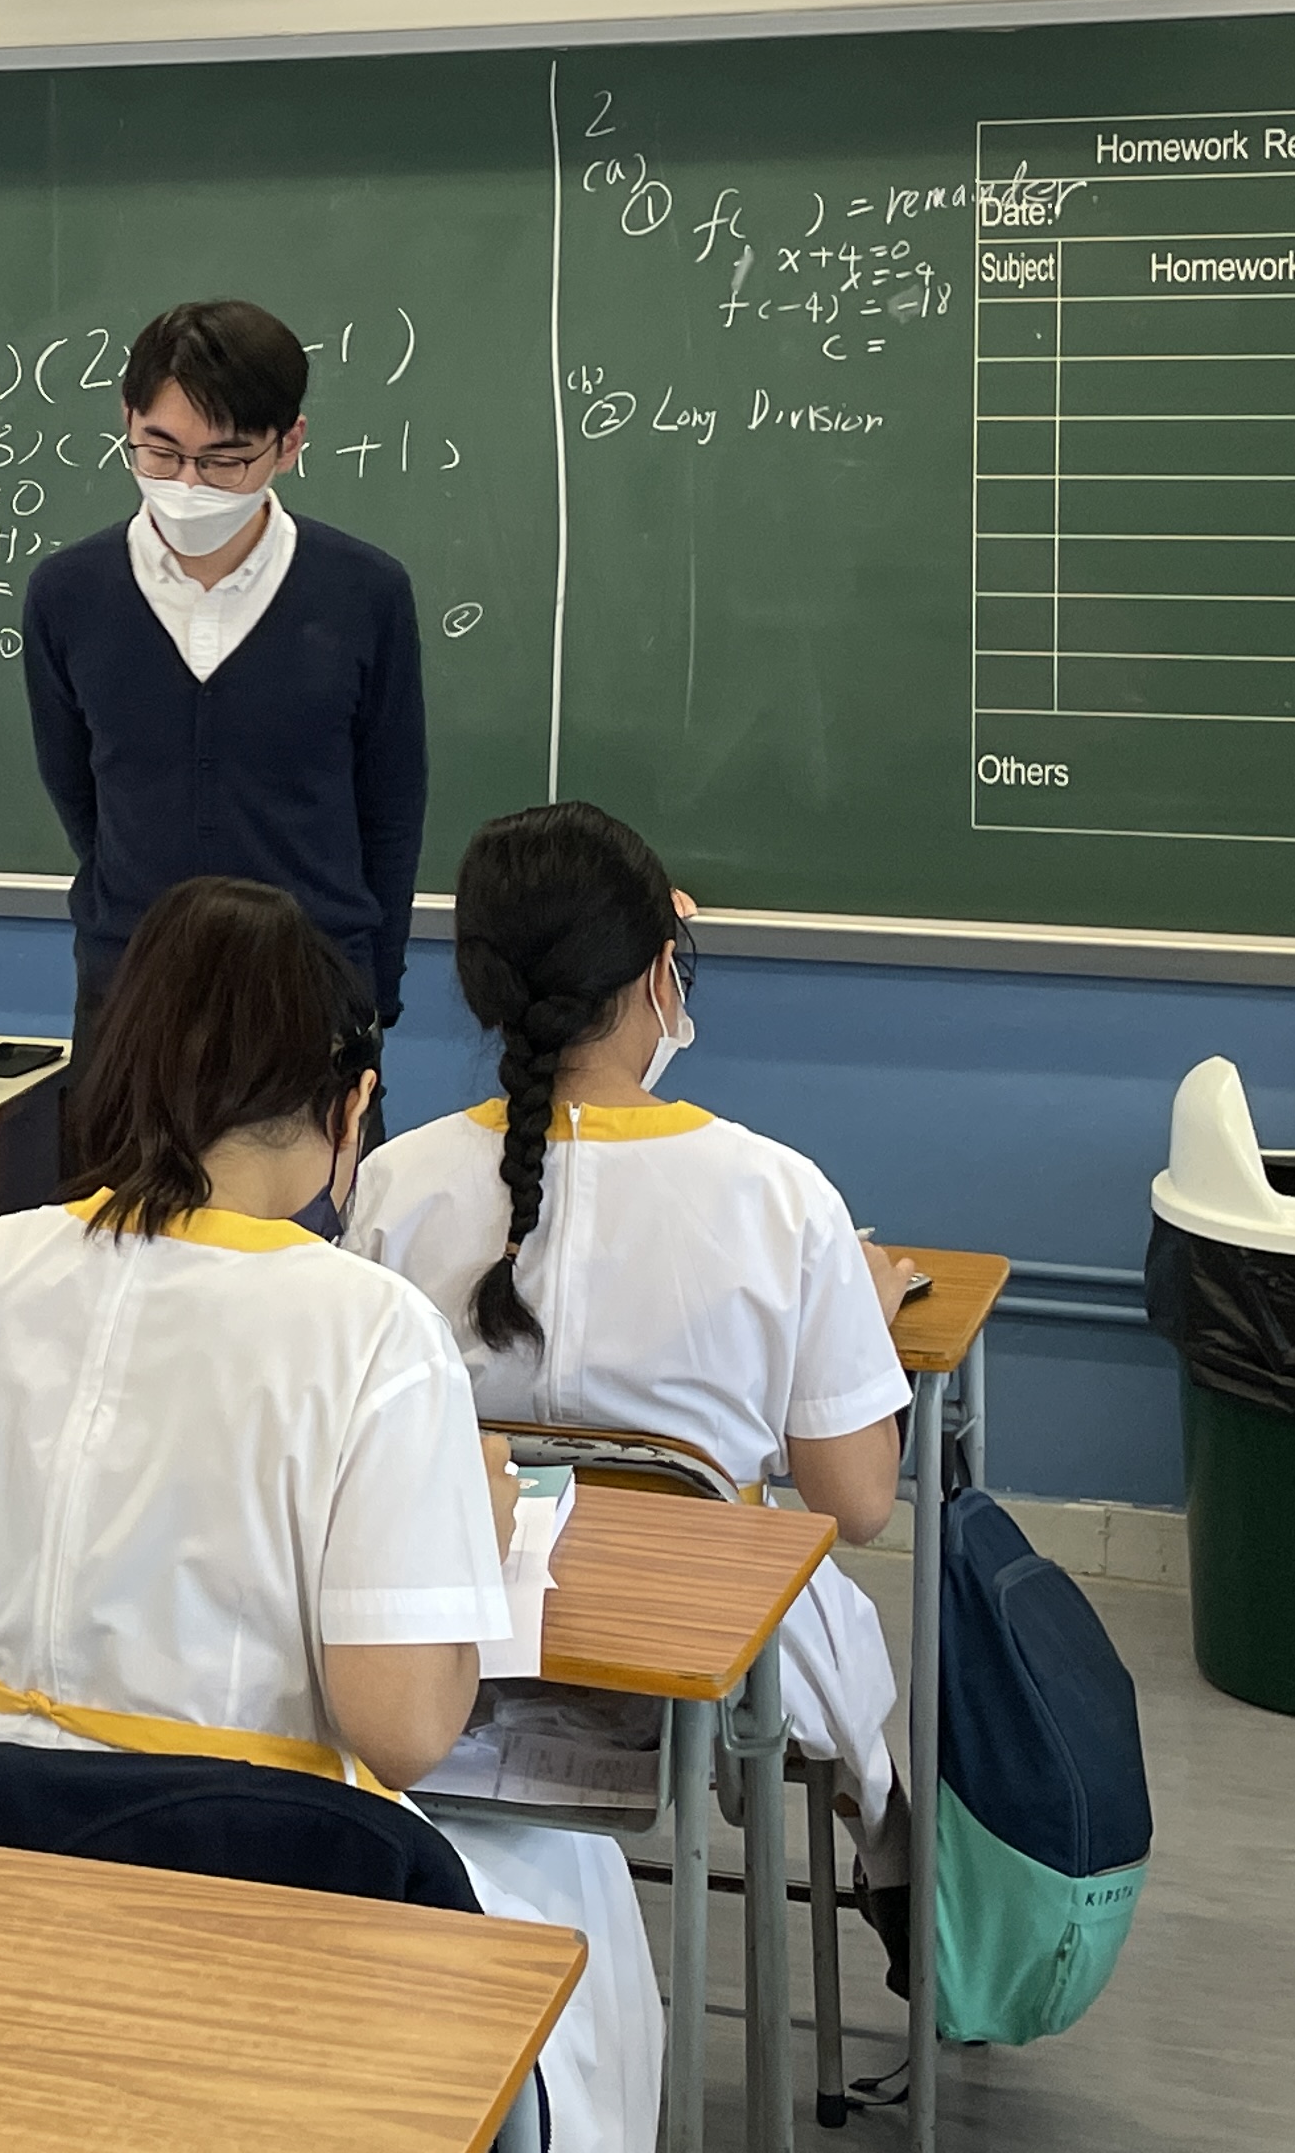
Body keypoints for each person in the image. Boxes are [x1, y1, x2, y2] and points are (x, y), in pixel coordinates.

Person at [0, 875, 658, 2153]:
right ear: (349, 1105)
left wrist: (56, 1535)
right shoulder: (369, 1328)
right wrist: (469, 1534)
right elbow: (403, 1730)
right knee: (581, 1895)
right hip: (264, 1881)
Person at [347, 799, 918, 1882]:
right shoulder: (781, 1197)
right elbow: (857, 1504)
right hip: (701, 1656)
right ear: (662, 975)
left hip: (447, 1649)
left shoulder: (393, 1184)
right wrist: (862, 1328)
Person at [20, 300, 427, 1062]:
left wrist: (376, 986)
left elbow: (392, 805)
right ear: (127, 420)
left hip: (312, 987)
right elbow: (77, 787)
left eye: (224, 459)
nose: (188, 483)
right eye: (161, 451)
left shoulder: (364, 592)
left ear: (289, 443)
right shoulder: (68, 593)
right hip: (131, 986)